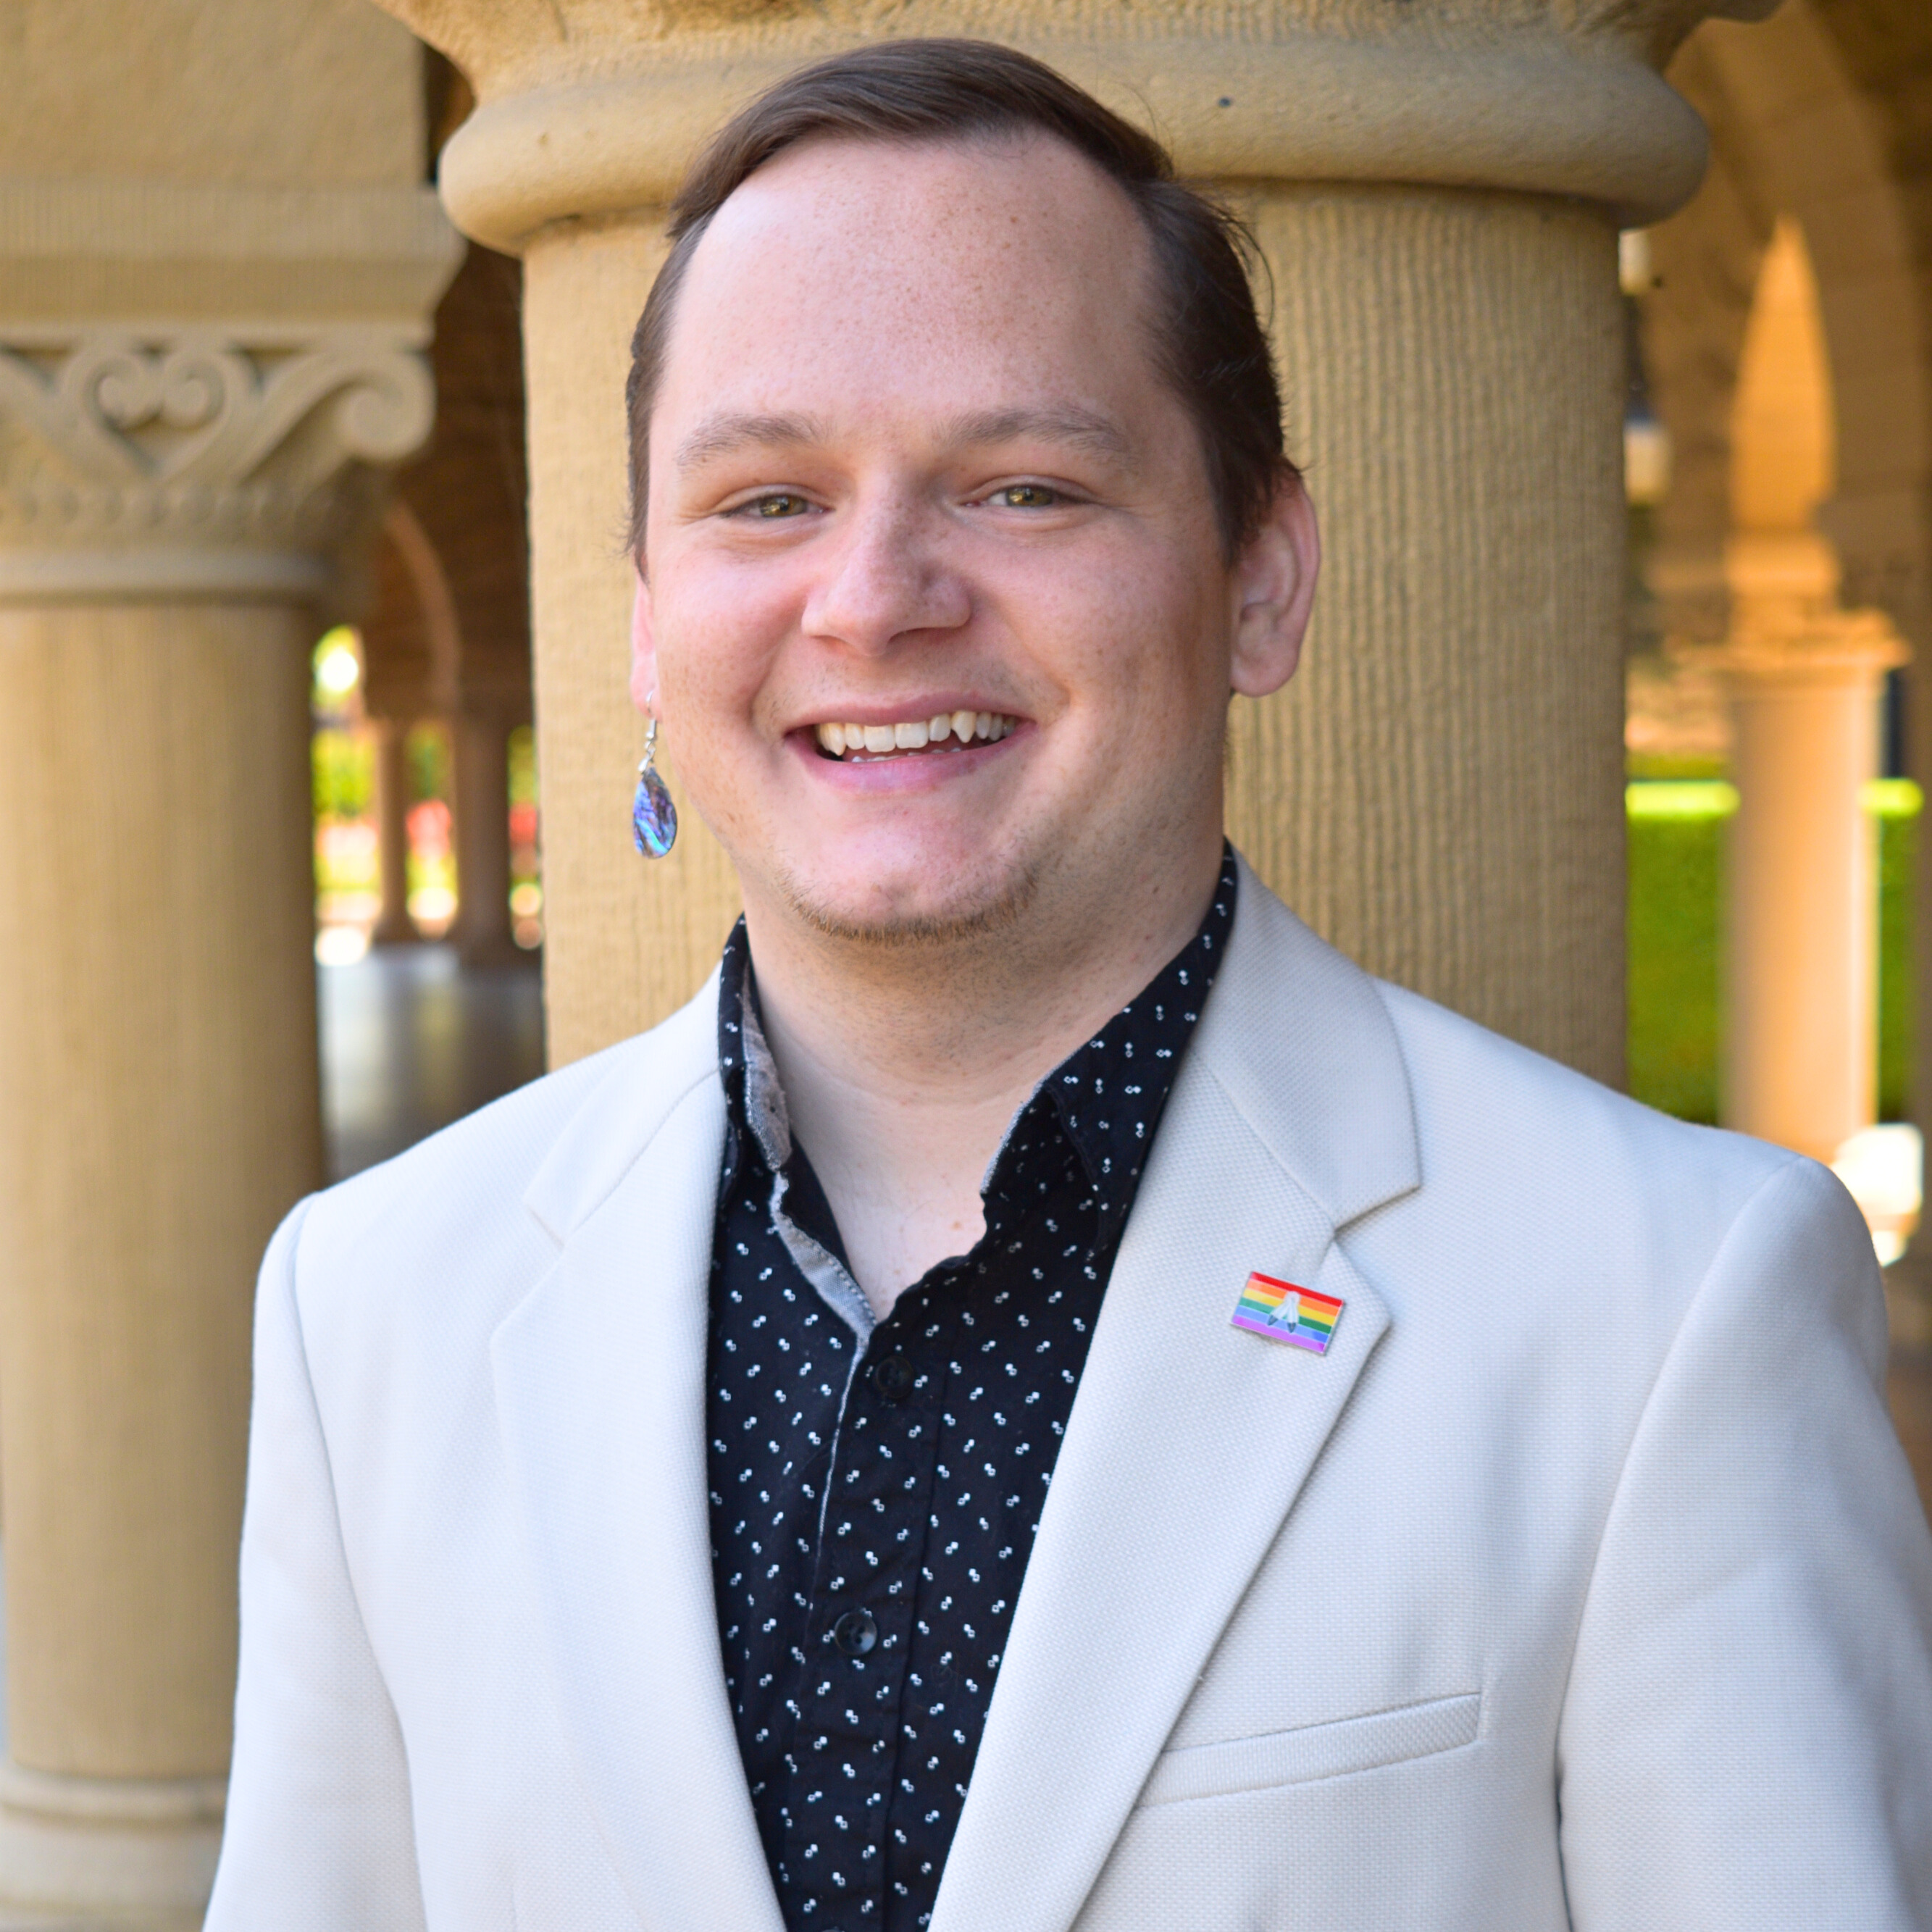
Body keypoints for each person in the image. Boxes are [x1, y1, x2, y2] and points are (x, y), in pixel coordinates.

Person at [205, 38, 1932, 1932]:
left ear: (1258, 577)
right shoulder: (371, 1307)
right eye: (764, 499)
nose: (871, 597)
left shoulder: (1666, 1306)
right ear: (639, 615)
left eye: (1020, 487)